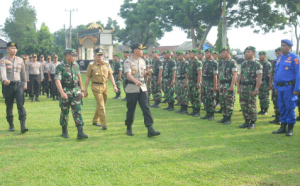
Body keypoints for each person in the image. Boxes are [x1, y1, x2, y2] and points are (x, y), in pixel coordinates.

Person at [124, 43, 160, 137]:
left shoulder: (143, 61)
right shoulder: (128, 61)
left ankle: (150, 129)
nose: (142, 51)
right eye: (141, 49)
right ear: (135, 50)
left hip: (142, 88)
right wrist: (136, 81)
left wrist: (147, 73)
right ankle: (129, 127)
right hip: (132, 88)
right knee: (131, 109)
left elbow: (144, 74)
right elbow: (128, 74)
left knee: (146, 108)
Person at [55, 48, 88, 140]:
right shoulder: (60, 66)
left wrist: (82, 90)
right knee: (65, 112)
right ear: (67, 56)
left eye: (75, 56)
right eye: (73, 56)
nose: (74, 57)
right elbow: (57, 80)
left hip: (76, 91)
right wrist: (61, 92)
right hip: (65, 91)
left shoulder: (76, 65)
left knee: (77, 111)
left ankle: (80, 132)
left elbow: (79, 78)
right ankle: (64, 129)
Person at [84, 48, 118, 130]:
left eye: (101, 55)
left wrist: (114, 85)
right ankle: (104, 124)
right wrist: (85, 90)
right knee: (101, 105)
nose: (100, 57)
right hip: (96, 86)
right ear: (94, 56)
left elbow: (110, 75)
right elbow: (87, 78)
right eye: (98, 55)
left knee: (100, 104)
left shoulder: (106, 64)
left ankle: (95, 120)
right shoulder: (91, 65)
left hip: (105, 86)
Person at [273, 39, 300, 136]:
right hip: (280, 87)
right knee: (281, 107)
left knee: (289, 107)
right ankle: (283, 127)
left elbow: (298, 74)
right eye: (281, 45)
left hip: (289, 87)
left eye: (284, 45)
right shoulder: (280, 58)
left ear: (289, 47)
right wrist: (275, 86)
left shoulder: (295, 58)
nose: (282, 47)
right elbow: (276, 73)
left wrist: (296, 89)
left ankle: (290, 128)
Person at [0, 42, 28, 133]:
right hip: (8, 86)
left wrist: (25, 84)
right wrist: (4, 79)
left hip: (18, 85)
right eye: (12, 48)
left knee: (20, 104)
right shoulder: (3, 60)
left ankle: (23, 125)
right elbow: (3, 71)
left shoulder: (20, 60)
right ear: (7, 49)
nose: (14, 50)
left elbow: (23, 73)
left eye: (15, 48)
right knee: (9, 106)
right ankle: (11, 125)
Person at [238, 46, 262, 129]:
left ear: (253, 53)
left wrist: (256, 89)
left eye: (248, 52)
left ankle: (252, 122)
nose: (246, 53)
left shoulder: (257, 64)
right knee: (243, 105)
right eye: (245, 52)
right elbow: (240, 76)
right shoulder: (244, 64)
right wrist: (238, 87)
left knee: (251, 105)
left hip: (251, 87)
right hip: (243, 87)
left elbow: (259, 77)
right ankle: (246, 121)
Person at [217, 46, 238, 125]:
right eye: (221, 52)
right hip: (222, 84)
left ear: (228, 52)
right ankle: (224, 116)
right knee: (223, 102)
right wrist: (218, 84)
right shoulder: (222, 62)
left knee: (229, 102)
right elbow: (219, 74)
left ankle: (228, 118)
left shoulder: (232, 62)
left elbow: (235, 75)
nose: (222, 54)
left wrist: (232, 85)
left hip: (228, 84)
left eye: (224, 52)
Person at [200, 48, 219, 121]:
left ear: (211, 54)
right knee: (205, 98)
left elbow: (215, 75)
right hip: (204, 82)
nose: (205, 55)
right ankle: (207, 113)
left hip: (211, 82)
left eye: (207, 53)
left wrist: (215, 85)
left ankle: (211, 114)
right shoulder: (204, 62)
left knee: (211, 99)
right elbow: (202, 73)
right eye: (205, 53)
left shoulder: (214, 63)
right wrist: (201, 81)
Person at [185, 49, 202, 116]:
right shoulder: (189, 62)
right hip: (190, 81)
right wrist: (186, 81)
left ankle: (197, 111)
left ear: (195, 54)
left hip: (195, 81)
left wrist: (198, 83)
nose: (189, 55)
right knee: (191, 96)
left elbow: (200, 73)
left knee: (196, 97)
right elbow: (187, 73)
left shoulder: (198, 62)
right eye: (189, 54)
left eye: (191, 54)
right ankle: (194, 110)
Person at [269, 47, 282, 124]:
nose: (277, 55)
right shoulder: (274, 62)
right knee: (275, 100)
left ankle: (281, 118)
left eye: (279, 53)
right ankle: (277, 117)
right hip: (275, 85)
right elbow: (271, 73)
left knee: (281, 101)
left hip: (282, 85)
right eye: (276, 53)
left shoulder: (285, 61)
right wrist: (270, 83)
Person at [257, 51, 272, 115]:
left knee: (265, 97)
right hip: (259, 82)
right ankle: (262, 109)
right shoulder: (258, 63)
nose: (260, 57)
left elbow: (270, 75)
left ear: (265, 56)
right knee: (260, 96)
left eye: (262, 55)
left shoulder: (268, 64)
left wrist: (269, 84)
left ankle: (265, 110)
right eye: (259, 55)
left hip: (265, 82)